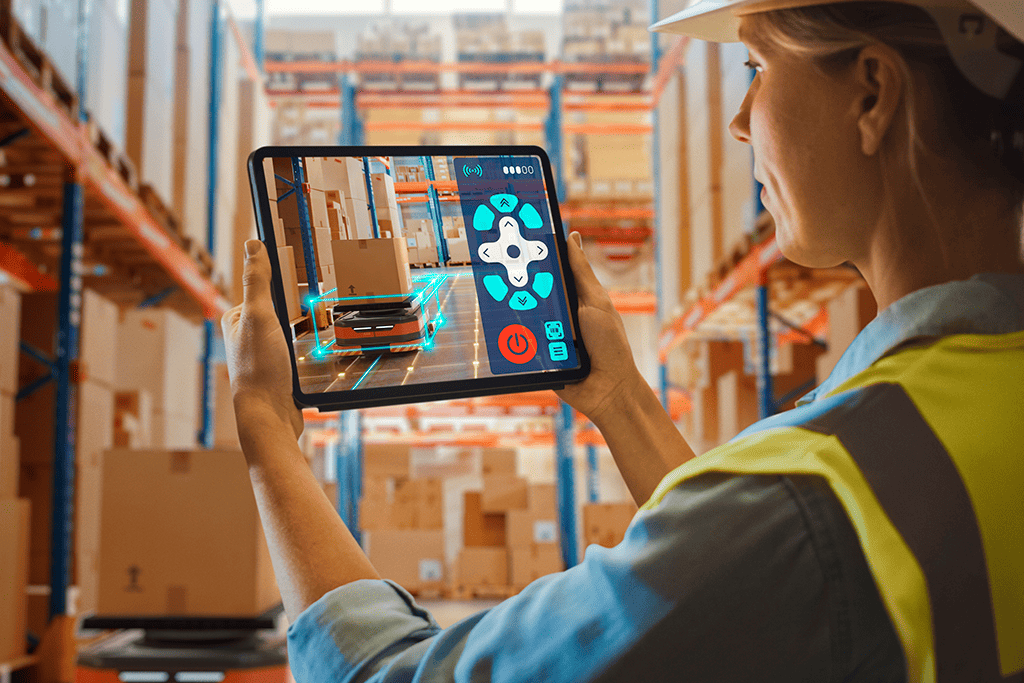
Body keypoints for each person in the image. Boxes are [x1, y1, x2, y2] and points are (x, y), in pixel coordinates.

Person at [222, 1, 1024, 680]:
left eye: (755, 68)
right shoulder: (951, 415)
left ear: (872, 95)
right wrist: (620, 399)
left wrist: (267, 432)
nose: (742, 123)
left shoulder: (823, 491)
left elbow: (388, 674)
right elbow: (769, 568)